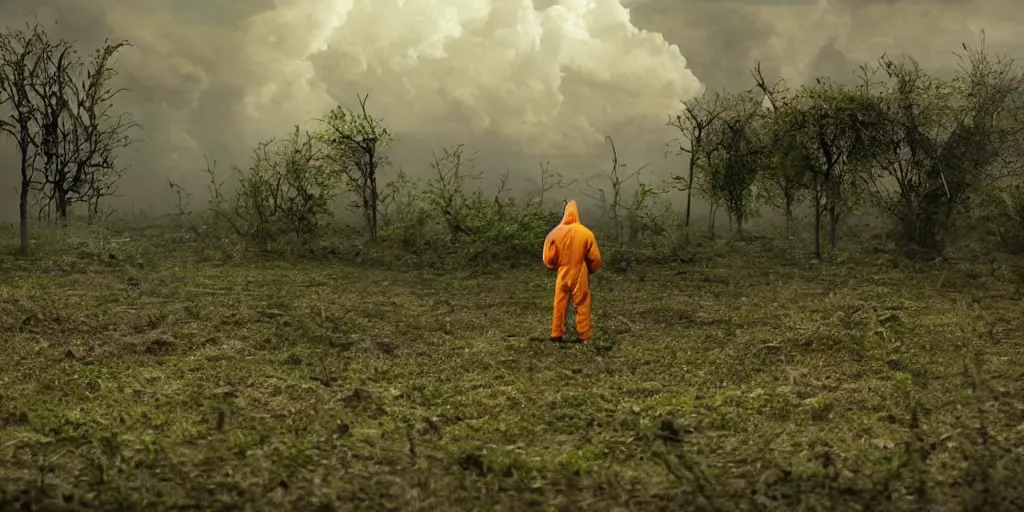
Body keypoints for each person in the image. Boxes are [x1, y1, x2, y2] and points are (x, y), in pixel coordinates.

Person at [542, 199, 602, 343]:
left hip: (562, 274)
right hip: (579, 272)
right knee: (582, 304)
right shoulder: (586, 233)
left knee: (559, 304)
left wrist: (554, 266)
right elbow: (595, 258)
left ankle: (556, 334)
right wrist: (591, 270)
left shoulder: (554, 234)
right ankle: (584, 336)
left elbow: (547, 257)